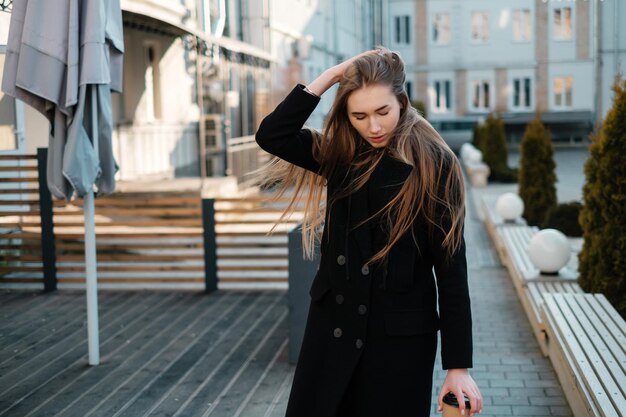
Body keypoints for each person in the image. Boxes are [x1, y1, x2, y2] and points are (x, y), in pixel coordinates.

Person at [255, 48, 483, 417]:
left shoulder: (434, 164)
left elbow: (451, 269)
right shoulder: (339, 154)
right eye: (359, 115)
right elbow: (272, 135)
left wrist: (458, 367)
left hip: (398, 343)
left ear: (402, 103)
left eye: (383, 112)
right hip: (333, 330)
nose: (373, 127)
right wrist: (331, 76)